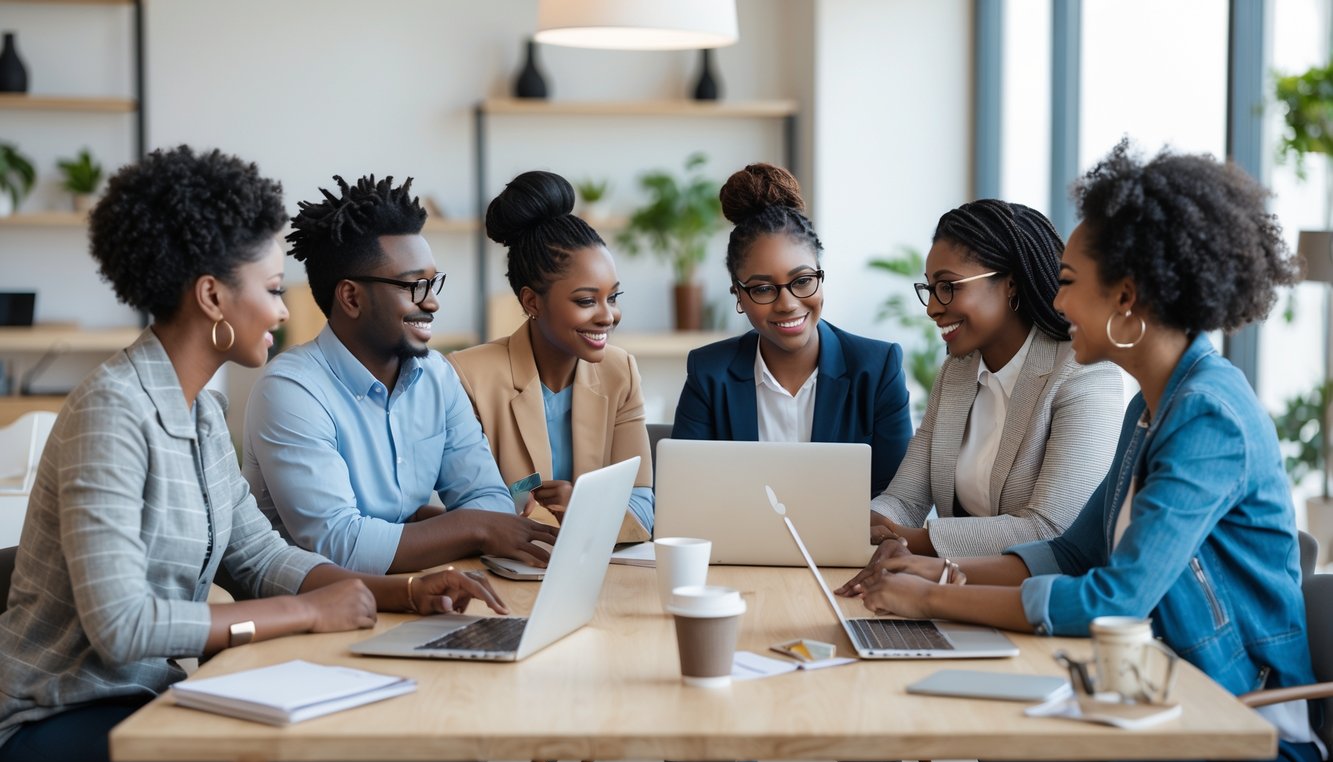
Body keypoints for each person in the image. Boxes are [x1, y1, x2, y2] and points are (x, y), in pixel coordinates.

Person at [0, 147, 507, 762]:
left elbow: (257, 556)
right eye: (271, 290)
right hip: (57, 713)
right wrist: (305, 611)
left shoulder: (201, 412)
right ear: (212, 296)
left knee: (408, 740)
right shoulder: (111, 414)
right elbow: (122, 625)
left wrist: (404, 592)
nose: (285, 311)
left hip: (149, 697)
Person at [848, 142, 1325, 762]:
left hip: (1235, 719)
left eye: (1069, 283)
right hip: (1149, 692)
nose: (1058, 301)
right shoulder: (1151, 408)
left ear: (1125, 297)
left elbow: (1112, 600)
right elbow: (1073, 553)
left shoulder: (1210, 416)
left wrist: (933, 596)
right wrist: (928, 569)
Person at [243, 174, 558, 575]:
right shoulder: (291, 391)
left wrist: (448, 525)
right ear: (351, 297)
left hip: (413, 591)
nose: (433, 302)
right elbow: (340, 546)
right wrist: (467, 526)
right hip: (308, 613)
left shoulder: (436, 376)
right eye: (414, 286)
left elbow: (488, 499)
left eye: (432, 283)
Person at [859, 200, 1124, 560]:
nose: (932, 308)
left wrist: (907, 542)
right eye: (930, 289)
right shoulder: (956, 371)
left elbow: (1051, 529)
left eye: (948, 287)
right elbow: (906, 498)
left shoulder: (1084, 373)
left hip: (1034, 603)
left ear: (1011, 284)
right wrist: (859, 526)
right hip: (952, 590)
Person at [671, 163, 913, 496]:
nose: (787, 303)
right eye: (763, 288)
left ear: (819, 275)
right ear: (738, 294)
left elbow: (899, 498)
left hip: (848, 547)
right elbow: (684, 493)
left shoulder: (877, 367)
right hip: (738, 547)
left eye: (802, 281)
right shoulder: (709, 373)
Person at [447, 170, 653, 543]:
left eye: (613, 297)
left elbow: (641, 499)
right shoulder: (467, 376)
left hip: (599, 565)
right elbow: (468, 507)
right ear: (532, 301)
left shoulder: (619, 371)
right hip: (503, 569)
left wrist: (583, 506)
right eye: (586, 301)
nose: (607, 316)